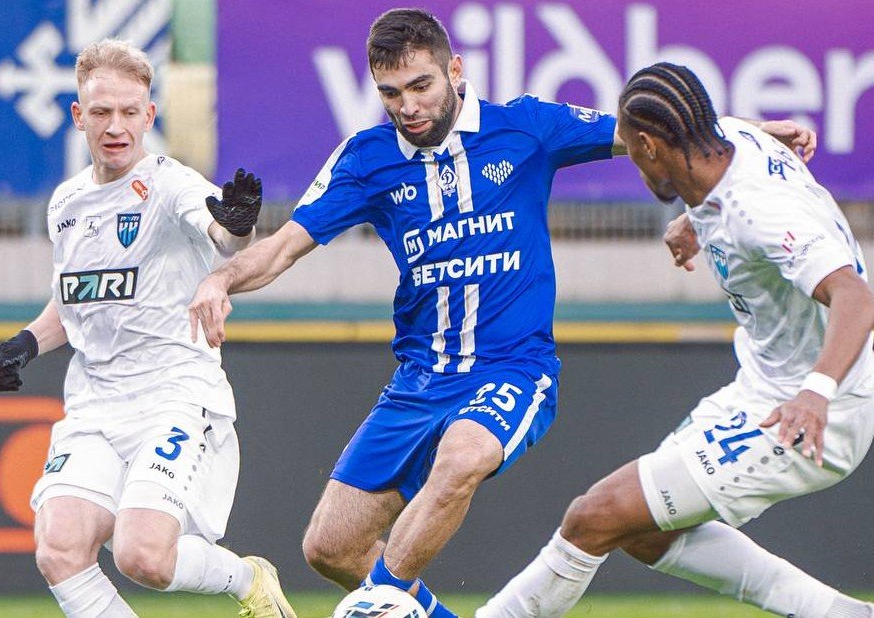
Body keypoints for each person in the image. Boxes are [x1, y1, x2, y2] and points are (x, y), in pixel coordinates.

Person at [188, 10, 815, 617]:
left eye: (421, 86)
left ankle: (378, 607)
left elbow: (651, 129)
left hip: (512, 369)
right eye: (390, 94)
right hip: (418, 382)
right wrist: (220, 279)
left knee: (461, 458)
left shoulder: (527, 128)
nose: (408, 107)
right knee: (330, 548)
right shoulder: (365, 159)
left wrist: (752, 133)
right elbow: (281, 248)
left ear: (455, 70)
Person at [475, 62, 874, 618]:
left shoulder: (758, 212)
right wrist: (698, 221)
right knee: (641, 530)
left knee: (594, 517)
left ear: (650, 146)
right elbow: (734, 157)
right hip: (760, 390)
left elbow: (858, 299)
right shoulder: (729, 144)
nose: (632, 161)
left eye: (631, 150)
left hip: (814, 410)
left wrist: (815, 394)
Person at [0, 39, 295, 618]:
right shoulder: (66, 203)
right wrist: (25, 344)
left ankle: (247, 577)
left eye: (130, 111)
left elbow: (224, 234)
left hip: (173, 394)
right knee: (59, 548)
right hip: (95, 405)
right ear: (78, 115)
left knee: (143, 556)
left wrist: (237, 224)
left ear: (150, 115)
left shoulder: (171, 184)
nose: (115, 126)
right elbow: (74, 300)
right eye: (101, 111)